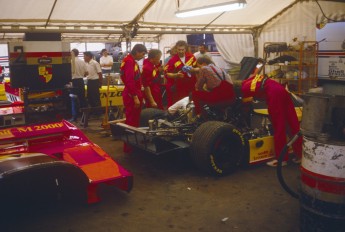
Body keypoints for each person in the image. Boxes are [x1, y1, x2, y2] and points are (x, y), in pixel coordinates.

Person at [241, 62, 302, 167]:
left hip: (274, 94)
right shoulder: (249, 80)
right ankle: (300, 155)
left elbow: (245, 107)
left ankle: (281, 160)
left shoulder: (243, 90)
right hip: (281, 90)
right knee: (292, 123)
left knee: (278, 127)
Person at [120, 44, 147, 153]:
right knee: (131, 121)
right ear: (137, 52)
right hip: (132, 95)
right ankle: (129, 146)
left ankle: (132, 144)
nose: (143, 56)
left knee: (134, 120)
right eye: (142, 54)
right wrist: (135, 97)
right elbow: (130, 80)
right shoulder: (129, 61)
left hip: (134, 93)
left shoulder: (130, 60)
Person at [165, 40, 197, 107]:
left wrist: (192, 69)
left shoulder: (191, 57)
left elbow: (198, 69)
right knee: (181, 102)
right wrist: (176, 75)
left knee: (192, 102)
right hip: (180, 85)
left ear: (185, 49)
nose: (181, 51)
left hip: (192, 84)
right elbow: (167, 73)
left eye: (183, 49)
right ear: (176, 49)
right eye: (179, 49)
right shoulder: (172, 60)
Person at [69, 48, 88, 122]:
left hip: (74, 82)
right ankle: (85, 117)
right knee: (82, 98)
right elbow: (86, 73)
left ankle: (74, 117)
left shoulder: (71, 62)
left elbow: (69, 73)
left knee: (73, 99)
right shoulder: (82, 62)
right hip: (81, 81)